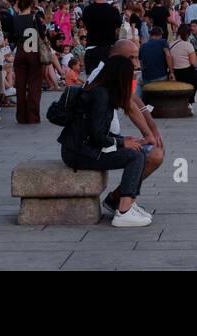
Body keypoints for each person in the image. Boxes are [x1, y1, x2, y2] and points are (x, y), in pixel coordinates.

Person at [58, 55, 152, 227]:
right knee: (136, 156)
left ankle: (128, 203)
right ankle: (123, 211)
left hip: (79, 148)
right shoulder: (101, 96)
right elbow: (97, 137)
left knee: (138, 151)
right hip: (79, 153)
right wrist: (123, 143)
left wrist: (123, 139)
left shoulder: (100, 90)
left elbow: (96, 131)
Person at [8, 0, 45, 124]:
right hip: (33, 52)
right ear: (31, 4)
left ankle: (21, 116)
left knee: (20, 85)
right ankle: (33, 116)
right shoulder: (35, 17)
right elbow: (42, 33)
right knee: (34, 84)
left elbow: (12, 37)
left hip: (20, 52)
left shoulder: (15, 19)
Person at [81, 0, 119, 75]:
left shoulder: (87, 10)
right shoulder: (114, 11)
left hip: (92, 48)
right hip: (109, 49)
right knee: (108, 81)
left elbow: (85, 27)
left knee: (92, 81)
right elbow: (117, 29)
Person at [138, 25, 170, 94]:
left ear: (150, 35)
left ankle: (139, 101)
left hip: (147, 78)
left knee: (137, 82)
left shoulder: (142, 46)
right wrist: (172, 71)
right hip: (161, 76)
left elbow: (141, 65)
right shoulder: (163, 42)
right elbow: (168, 55)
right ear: (160, 35)